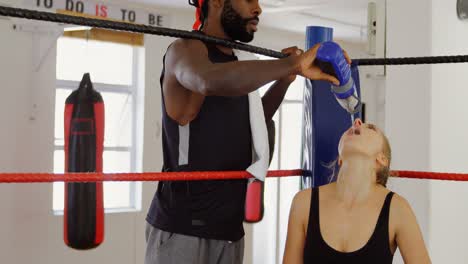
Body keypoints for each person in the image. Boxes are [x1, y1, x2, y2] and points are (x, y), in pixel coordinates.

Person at [144, 0, 348, 263]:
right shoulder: (185, 50)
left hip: (229, 228)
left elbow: (253, 120)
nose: (258, 8)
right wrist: (292, 65)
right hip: (183, 227)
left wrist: (284, 80)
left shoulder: (240, 62)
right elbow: (208, 80)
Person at [282, 118, 432, 264]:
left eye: (371, 128)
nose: (357, 122)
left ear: (382, 159)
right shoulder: (304, 202)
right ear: (340, 158)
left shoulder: (398, 209)